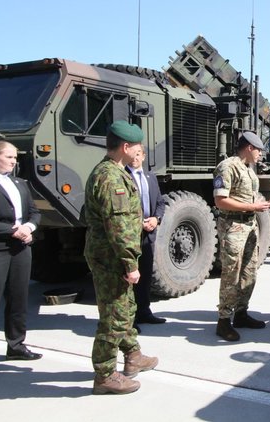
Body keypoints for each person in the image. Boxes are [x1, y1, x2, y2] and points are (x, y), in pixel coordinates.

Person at [84, 120, 158, 395]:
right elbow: (119, 225)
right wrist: (130, 262)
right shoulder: (110, 177)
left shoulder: (114, 171)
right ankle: (104, 374)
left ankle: (133, 355)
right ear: (126, 147)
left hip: (110, 255)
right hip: (112, 258)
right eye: (138, 146)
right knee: (114, 316)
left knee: (125, 308)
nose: (141, 151)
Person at [213, 131, 270, 342]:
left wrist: (266, 204)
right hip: (233, 226)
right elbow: (220, 200)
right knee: (231, 273)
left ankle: (241, 313)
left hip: (250, 226)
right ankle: (224, 320)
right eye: (259, 150)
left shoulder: (248, 169)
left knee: (249, 272)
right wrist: (253, 206)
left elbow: (248, 197)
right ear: (249, 148)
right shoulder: (227, 166)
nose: (261, 154)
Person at [0, 140, 42, 361]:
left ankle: (16, 345)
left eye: (15, 158)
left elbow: (34, 212)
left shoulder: (19, 183)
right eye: (8, 157)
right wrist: (11, 230)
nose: (14, 162)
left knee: (18, 298)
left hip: (21, 248)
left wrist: (29, 228)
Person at [126, 144, 166, 331]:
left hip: (148, 233)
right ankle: (130, 318)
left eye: (138, 154)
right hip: (130, 234)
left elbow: (160, 202)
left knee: (146, 274)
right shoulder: (122, 176)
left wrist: (156, 219)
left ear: (143, 157)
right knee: (130, 276)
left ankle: (144, 311)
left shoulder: (150, 177)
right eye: (132, 154)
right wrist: (138, 222)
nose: (135, 158)